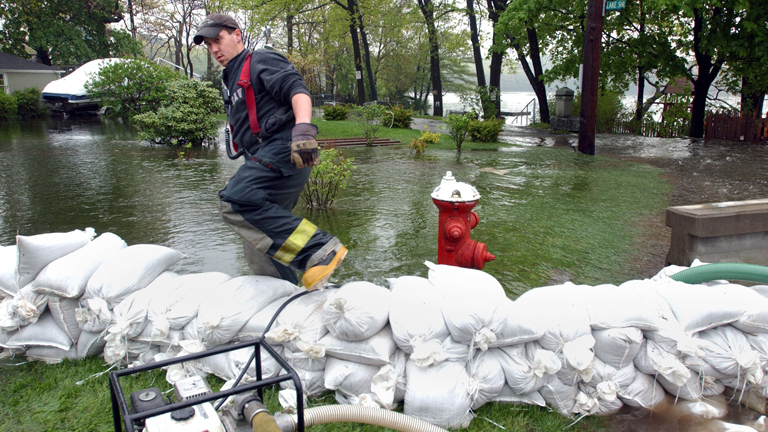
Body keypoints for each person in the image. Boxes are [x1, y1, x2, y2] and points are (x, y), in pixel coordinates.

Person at [193, 13, 346, 290]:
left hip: (285, 148)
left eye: (218, 40)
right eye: (208, 44)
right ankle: (284, 296)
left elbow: (297, 90)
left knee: (234, 201)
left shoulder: (259, 60)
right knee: (259, 239)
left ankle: (321, 249)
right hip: (263, 155)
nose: (214, 49)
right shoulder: (229, 78)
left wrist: (303, 130)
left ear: (236, 35)